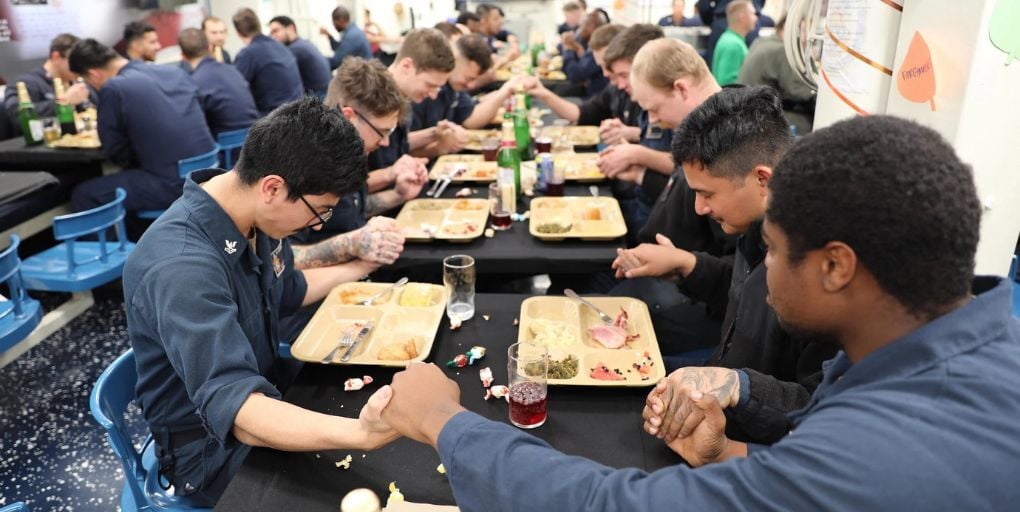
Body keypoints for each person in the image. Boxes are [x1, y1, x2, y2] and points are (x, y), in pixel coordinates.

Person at [379, 114, 1020, 512]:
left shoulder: (882, 451)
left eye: (769, 250)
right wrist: (725, 457)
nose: (759, 269)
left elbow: (611, 506)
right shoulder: (962, 348)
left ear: (836, 266)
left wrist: (444, 421)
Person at [125, 97, 397, 507]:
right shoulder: (181, 267)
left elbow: (287, 291)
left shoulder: (250, 214)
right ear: (273, 187)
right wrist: (362, 434)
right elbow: (241, 414)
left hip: (269, 392)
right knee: (371, 482)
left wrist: (358, 268)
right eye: (318, 212)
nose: (316, 225)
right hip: (209, 450)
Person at [614, 86, 838, 442]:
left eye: (706, 194)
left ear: (761, 179)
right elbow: (743, 295)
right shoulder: (754, 220)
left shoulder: (821, 265)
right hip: (717, 390)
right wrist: (686, 264)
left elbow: (821, 409)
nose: (699, 209)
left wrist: (739, 386)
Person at [68, 39, 215, 213]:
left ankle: (135, 240)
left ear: (93, 74)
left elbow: (114, 150)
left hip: (174, 184)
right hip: (210, 173)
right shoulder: (174, 72)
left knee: (85, 194)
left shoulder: (114, 87)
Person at [289, 57, 411, 255]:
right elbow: (284, 259)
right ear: (348, 117)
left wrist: (398, 195)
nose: (386, 142)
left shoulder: (351, 152)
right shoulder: (306, 165)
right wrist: (351, 245)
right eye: (382, 132)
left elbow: (349, 215)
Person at [524, 24, 641, 137]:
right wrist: (544, 94)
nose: (605, 73)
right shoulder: (614, 88)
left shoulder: (640, 91)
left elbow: (655, 140)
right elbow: (583, 114)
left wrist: (633, 134)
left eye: (607, 65)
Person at [372, 28, 456, 168]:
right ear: (407, 66)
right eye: (430, 85)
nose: (433, 95)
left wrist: (435, 133)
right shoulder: (370, 101)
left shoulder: (403, 95)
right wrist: (392, 175)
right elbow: (351, 187)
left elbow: (397, 145)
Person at [412, 33, 515, 137]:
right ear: (455, 61)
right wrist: (504, 92)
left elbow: (470, 118)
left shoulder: (454, 88)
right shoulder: (426, 88)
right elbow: (408, 145)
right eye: (469, 78)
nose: (471, 86)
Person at [738, 16, 816, 134]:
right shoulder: (783, 50)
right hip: (761, 117)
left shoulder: (761, 41)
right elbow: (796, 90)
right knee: (808, 120)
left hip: (746, 111)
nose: (807, 39)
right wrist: (817, 91)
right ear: (788, 27)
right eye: (804, 31)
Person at [178, 28, 259, 138]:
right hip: (255, 140)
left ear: (183, 56)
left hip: (228, 150)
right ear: (210, 47)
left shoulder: (194, 83)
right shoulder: (232, 70)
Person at [3, 33, 92, 130]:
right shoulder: (24, 83)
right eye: (76, 62)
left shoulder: (76, 81)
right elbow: (18, 115)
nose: (81, 68)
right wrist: (64, 101)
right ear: (56, 57)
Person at [231, 8, 304, 116]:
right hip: (298, 113)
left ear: (238, 32)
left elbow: (235, 90)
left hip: (274, 120)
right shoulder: (281, 46)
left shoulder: (248, 54)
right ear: (259, 26)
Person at [268, 15, 331, 99]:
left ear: (291, 28)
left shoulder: (295, 49)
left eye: (275, 31)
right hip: (325, 94)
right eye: (271, 33)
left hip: (317, 98)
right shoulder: (304, 43)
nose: (273, 36)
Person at [560, 8, 610, 98]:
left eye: (583, 25)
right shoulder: (587, 42)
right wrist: (578, 49)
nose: (580, 29)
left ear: (591, 26)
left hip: (593, 97)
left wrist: (568, 49)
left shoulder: (599, 47)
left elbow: (574, 75)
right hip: (588, 92)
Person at [711, 0, 756, 86]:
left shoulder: (731, 39)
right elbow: (728, 85)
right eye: (753, 14)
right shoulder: (733, 45)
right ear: (742, 17)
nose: (756, 18)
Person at [321, 6, 373, 70]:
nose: (334, 25)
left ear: (341, 20)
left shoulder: (352, 36)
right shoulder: (352, 30)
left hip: (363, 75)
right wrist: (329, 36)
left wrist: (316, 60)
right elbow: (339, 48)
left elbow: (335, 61)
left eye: (334, 22)